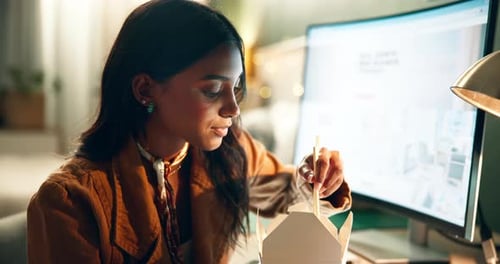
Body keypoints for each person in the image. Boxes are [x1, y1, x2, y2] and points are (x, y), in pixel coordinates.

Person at [27, 0, 351, 263]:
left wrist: (316, 179)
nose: (233, 109)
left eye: (235, 87)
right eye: (212, 90)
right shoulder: (70, 201)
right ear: (145, 89)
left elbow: (285, 191)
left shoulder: (231, 152)